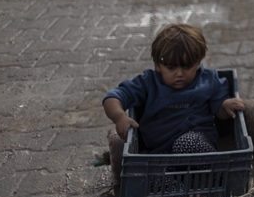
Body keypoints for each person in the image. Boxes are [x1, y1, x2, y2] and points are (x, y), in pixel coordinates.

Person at [102, 23, 245, 183]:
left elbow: (220, 110)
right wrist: (120, 117)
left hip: (197, 144)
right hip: (162, 153)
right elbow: (113, 97)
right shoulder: (148, 83)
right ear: (157, 64)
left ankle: (215, 181)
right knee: (148, 175)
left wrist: (225, 106)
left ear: (198, 62)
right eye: (170, 68)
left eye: (187, 67)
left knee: (187, 144)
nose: (179, 74)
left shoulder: (207, 80)